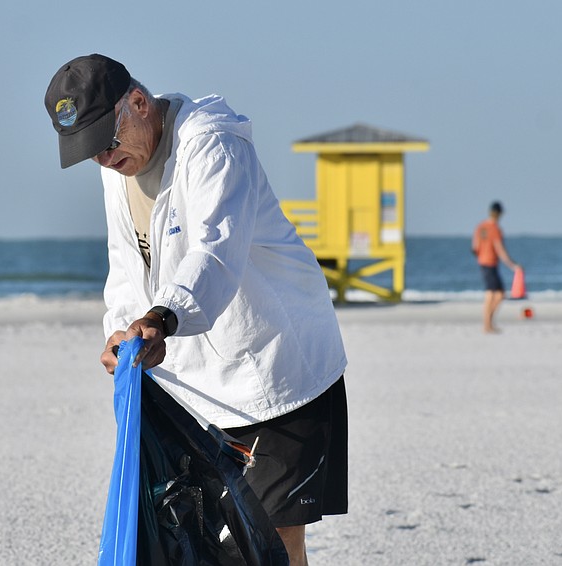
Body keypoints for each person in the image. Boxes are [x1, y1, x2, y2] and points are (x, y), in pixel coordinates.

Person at [44, 54, 348, 565]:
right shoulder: (116, 165)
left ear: (138, 104)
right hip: (198, 390)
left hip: (277, 375)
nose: (102, 158)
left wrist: (163, 318)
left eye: (107, 142)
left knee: (271, 544)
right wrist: (120, 330)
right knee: (203, 543)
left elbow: (214, 252)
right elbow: (125, 264)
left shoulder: (213, 145)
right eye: (90, 150)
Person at [472, 201, 520, 333]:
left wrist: (481, 255)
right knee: (492, 294)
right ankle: (487, 324)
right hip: (490, 263)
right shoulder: (495, 229)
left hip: (484, 262)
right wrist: (512, 265)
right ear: (499, 214)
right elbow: (500, 249)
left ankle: (489, 323)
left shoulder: (480, 227)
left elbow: (475, 247)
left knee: (499, 294)